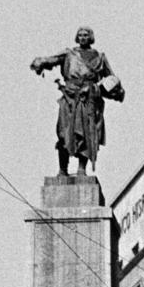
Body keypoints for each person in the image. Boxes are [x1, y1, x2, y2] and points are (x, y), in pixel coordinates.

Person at [30, 26, 124, 177]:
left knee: (86, 135)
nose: (82, 37)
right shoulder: (69, 54)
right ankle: (63, 169)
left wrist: (108, 89)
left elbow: (112, 79)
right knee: (63, 133)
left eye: (86, 35)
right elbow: (52, 60)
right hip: (69, 97)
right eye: (80, 35)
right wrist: (41, 62)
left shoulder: (99, 58)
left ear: (91, 37)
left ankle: (82, 168)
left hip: (89, 99)